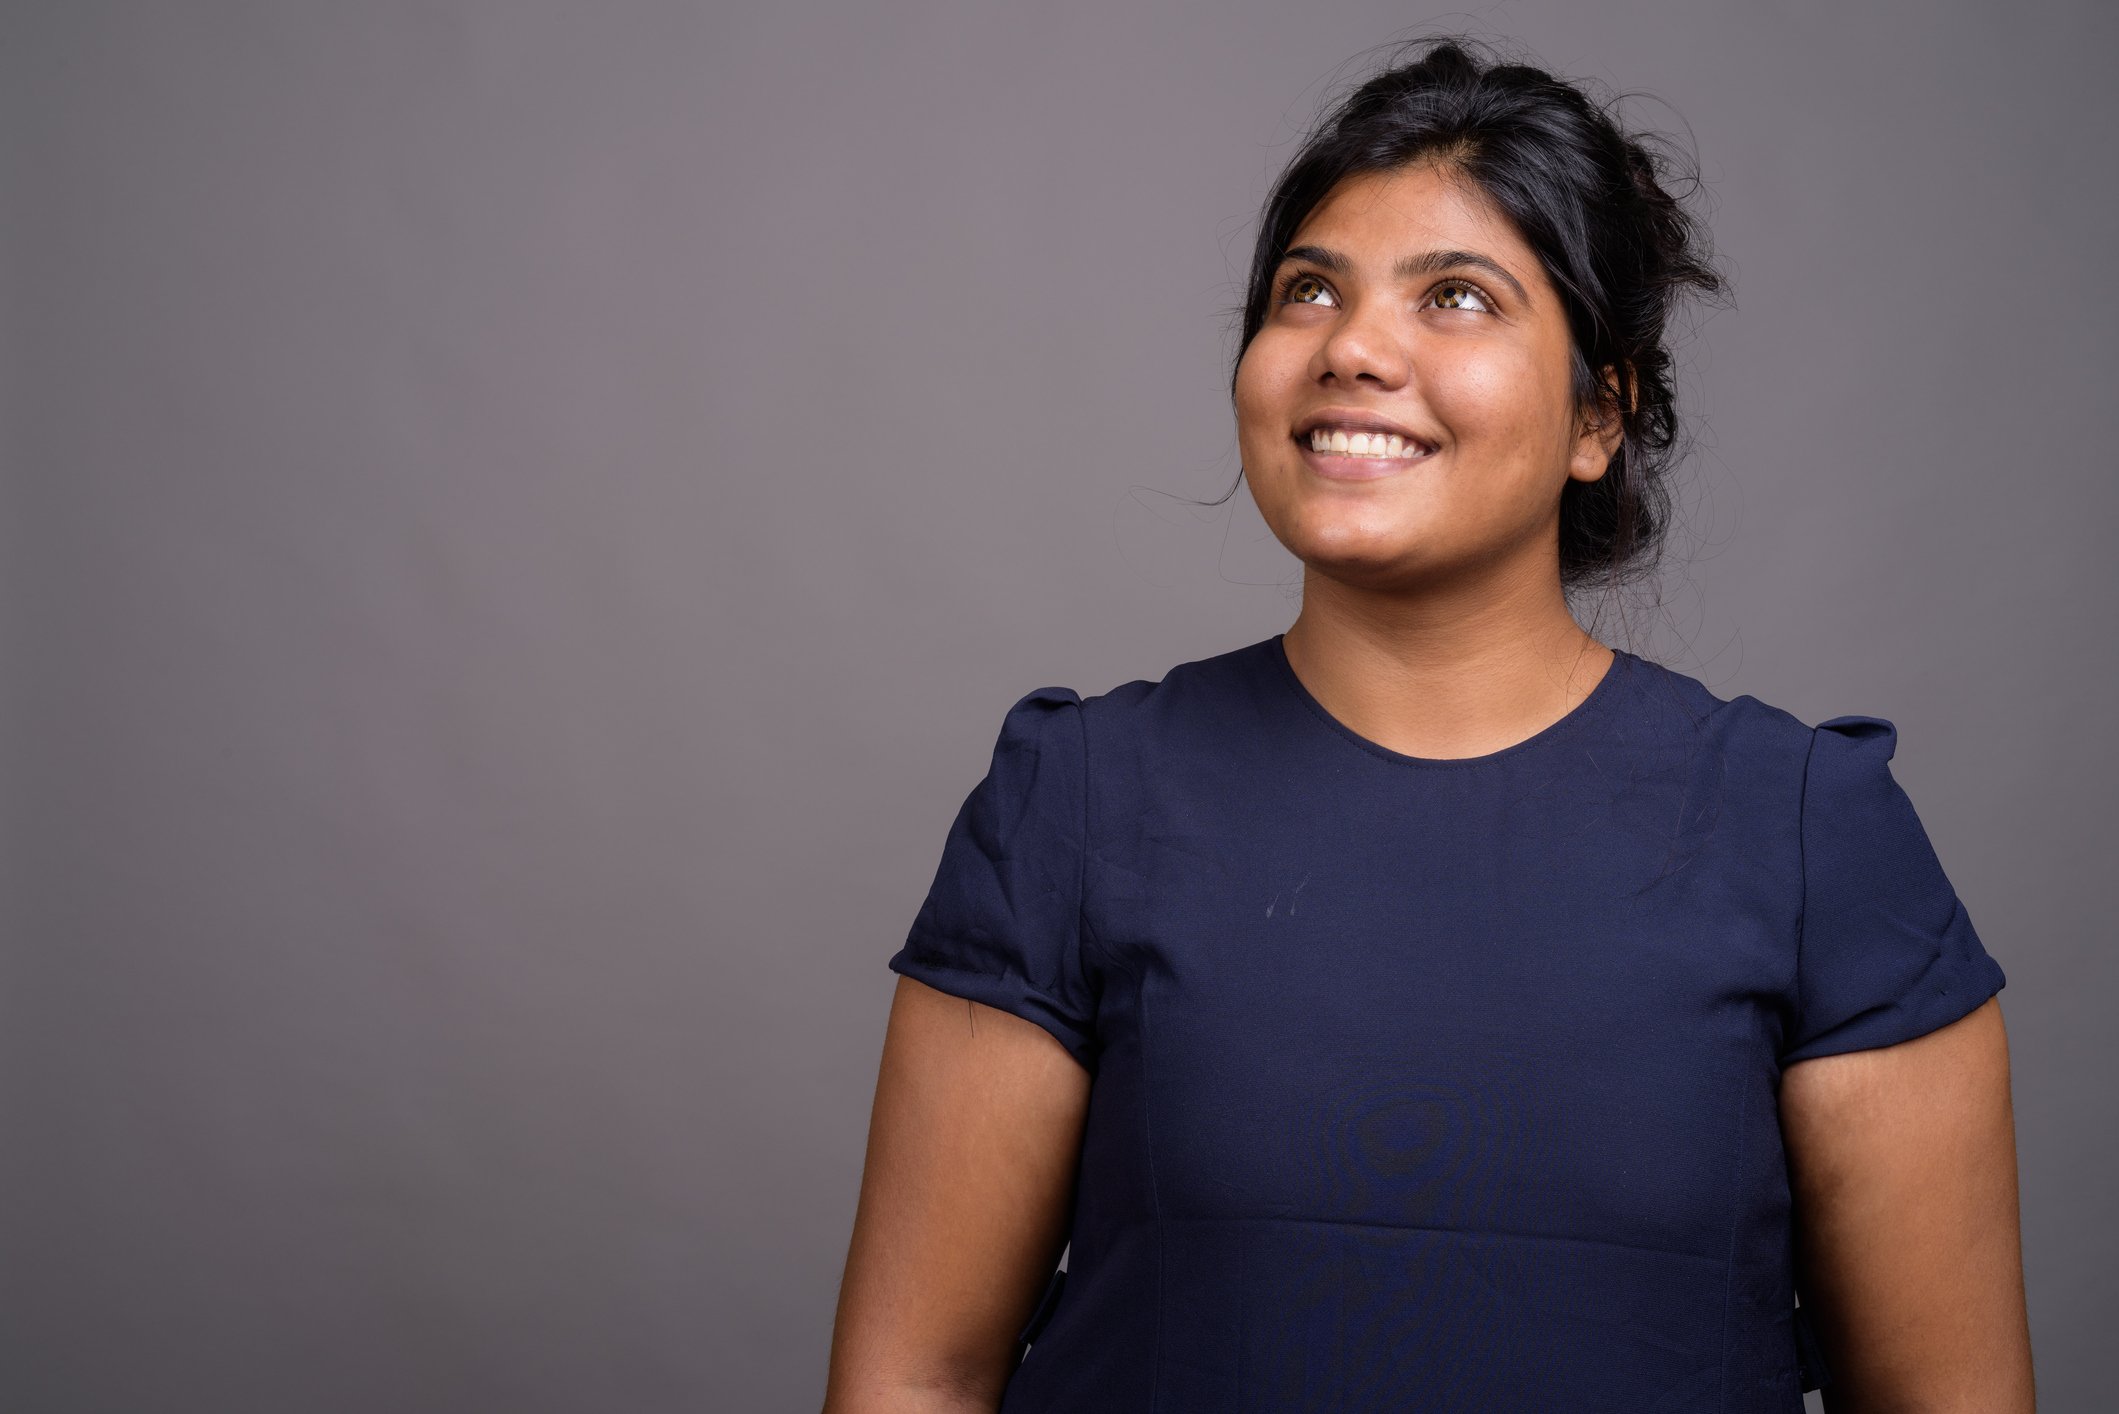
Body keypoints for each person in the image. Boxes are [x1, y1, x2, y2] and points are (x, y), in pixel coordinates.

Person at [822, 33, 2033, 1414]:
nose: (1353, 347)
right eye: (1306, 291)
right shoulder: (1078, 801)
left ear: (1600, 415)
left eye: (1455, 296)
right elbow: (914, 1377)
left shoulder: (1815, 839)